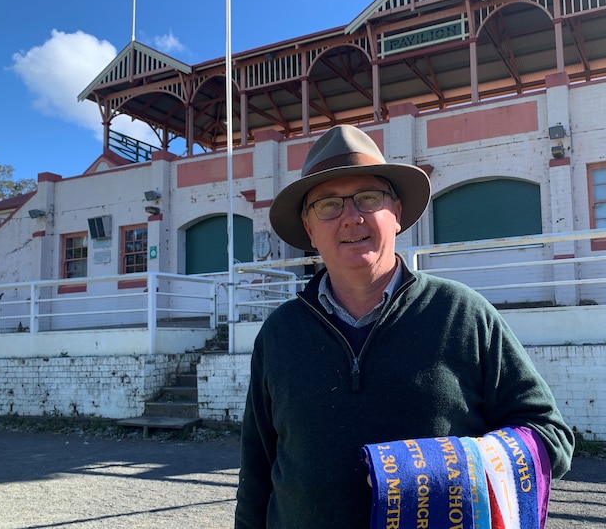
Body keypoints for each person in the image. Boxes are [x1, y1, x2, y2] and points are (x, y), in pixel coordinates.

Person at [235, 125, 574, 529]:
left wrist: (437, 471)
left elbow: (549, 435)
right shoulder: (279, 333)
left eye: (368, 197)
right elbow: (257, 469)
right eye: (327, 204)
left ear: (395, 213)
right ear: (309, 228)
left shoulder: (462, 314)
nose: (351, 217)